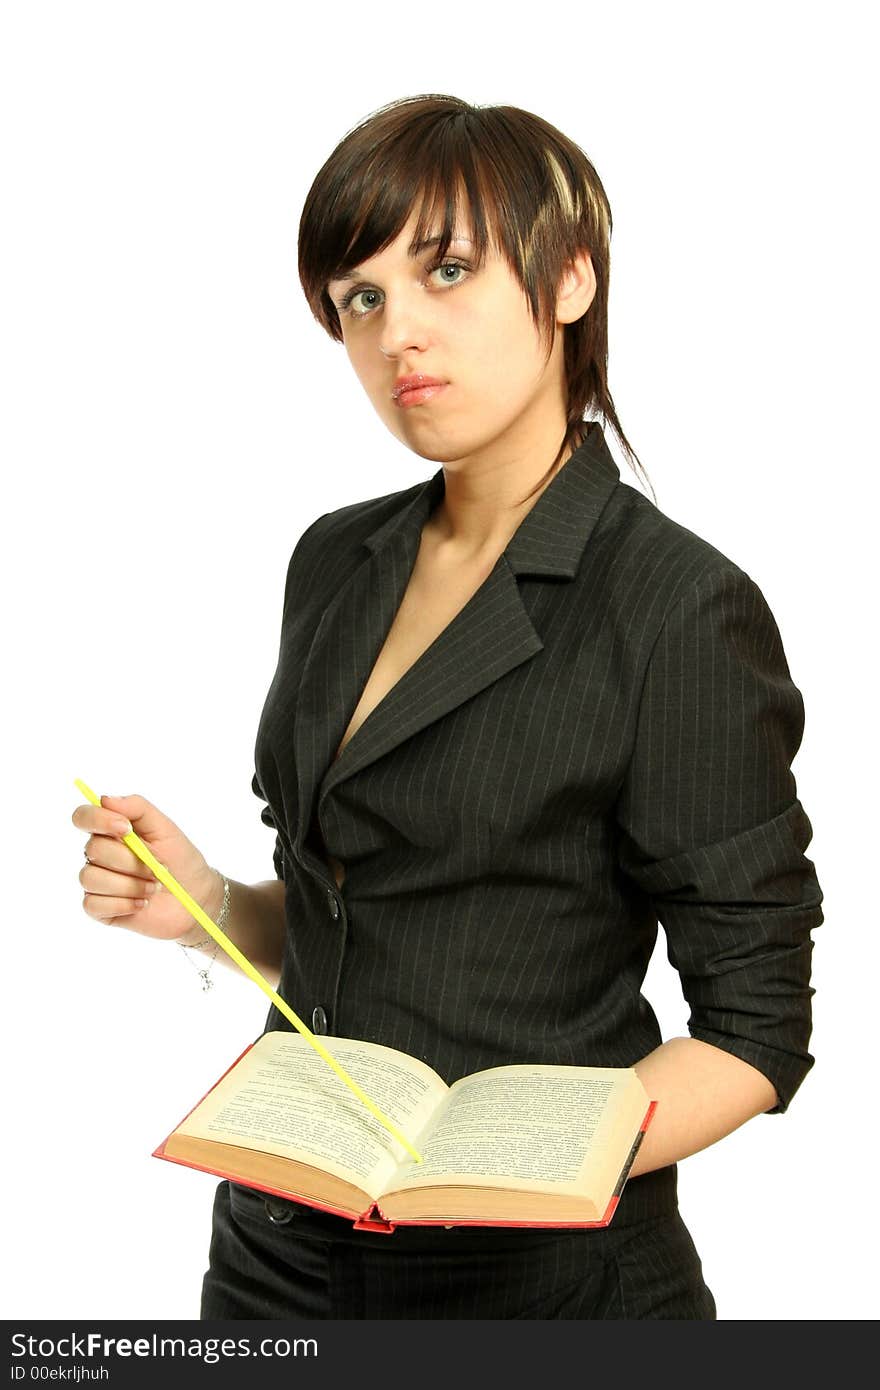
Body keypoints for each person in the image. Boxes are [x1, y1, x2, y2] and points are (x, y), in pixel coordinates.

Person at [71, 93, 824, 1320]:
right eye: (360, 298)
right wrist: (209, 905)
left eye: (449, 270)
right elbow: (357, 914)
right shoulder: (334, 558)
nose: (395, 336)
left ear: (570, 279)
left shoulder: (677, 604)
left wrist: (511, 1169)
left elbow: (754, 1032)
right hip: (274, 1249)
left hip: (537, 1281)